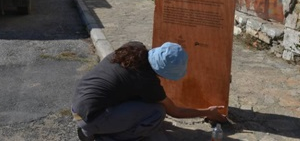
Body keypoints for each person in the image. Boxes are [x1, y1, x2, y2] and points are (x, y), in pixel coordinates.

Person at [71, 41, 227, 141]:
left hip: (79, 104)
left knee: (143, 104)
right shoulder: (146, 80)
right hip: (92, 117)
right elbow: (175, 111)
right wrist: (207, 112)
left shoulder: (134, 48)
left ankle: (100, 127)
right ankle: (105, 136)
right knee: (157, 112)